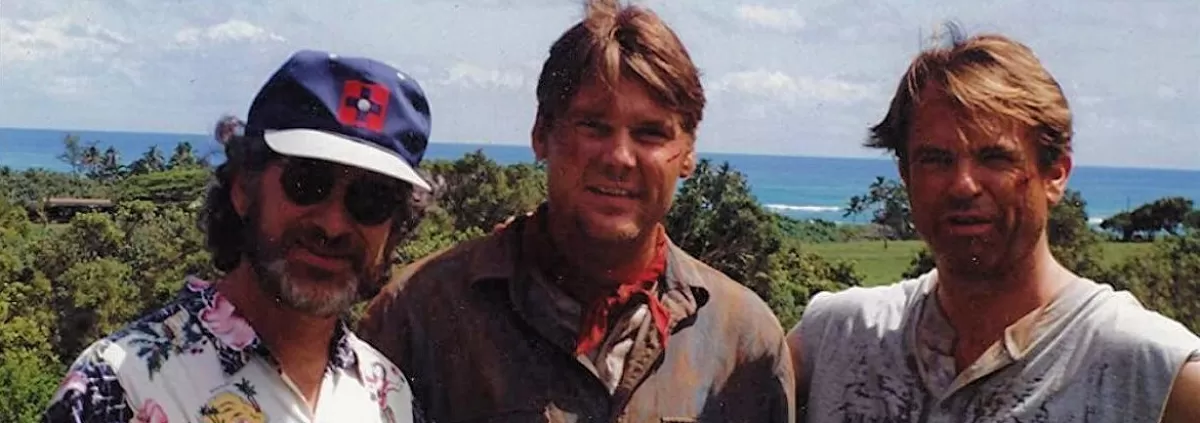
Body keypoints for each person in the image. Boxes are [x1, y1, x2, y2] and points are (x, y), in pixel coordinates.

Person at [356, 0, 794, 421]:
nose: (619, 157)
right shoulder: (420, 313)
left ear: (687, 154)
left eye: (650, 134)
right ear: (541, 134)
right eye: (593, 126)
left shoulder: (743, 341)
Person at [786, 23, 1200, 423]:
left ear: (1055, 174)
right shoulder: (837, 339)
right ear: (906, 175)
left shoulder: (1151, 372)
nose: (963, 185)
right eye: (936, 160)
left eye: (995, 158)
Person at [42, 50, 436, 423]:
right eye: (306, 182)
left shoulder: (389, 396)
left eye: (371, 199)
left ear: (396, 225)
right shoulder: (120, 388)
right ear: (244, 189)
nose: (333, 225)